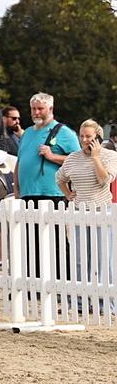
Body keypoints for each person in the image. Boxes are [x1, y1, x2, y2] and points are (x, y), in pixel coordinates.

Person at [14, 92, 81, 284]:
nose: (36, 112)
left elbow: (78, 160)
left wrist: (52, 157)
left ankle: (64, 281)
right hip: (28, 193)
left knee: (56, 240)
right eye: (33, 109)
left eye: (40, 109)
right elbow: (20, 162)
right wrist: (17, 189)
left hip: (52, 193)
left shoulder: (64, 132)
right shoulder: (27, 133)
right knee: (31, 240)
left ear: (50, 109)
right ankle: (35, 281)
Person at [55, 120, 117, 311]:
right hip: (79, 212)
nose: (84, 140)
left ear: (97, 136)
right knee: (80, 259)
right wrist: (68, 194)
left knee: (103, 259)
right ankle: (79, 302)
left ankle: (105, 304)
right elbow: (59, 178)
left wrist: (96, 157)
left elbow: (104, 179)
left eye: (88, 136)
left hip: (101, 211)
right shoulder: (73, 157)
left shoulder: (110, 155)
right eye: (81, 136)